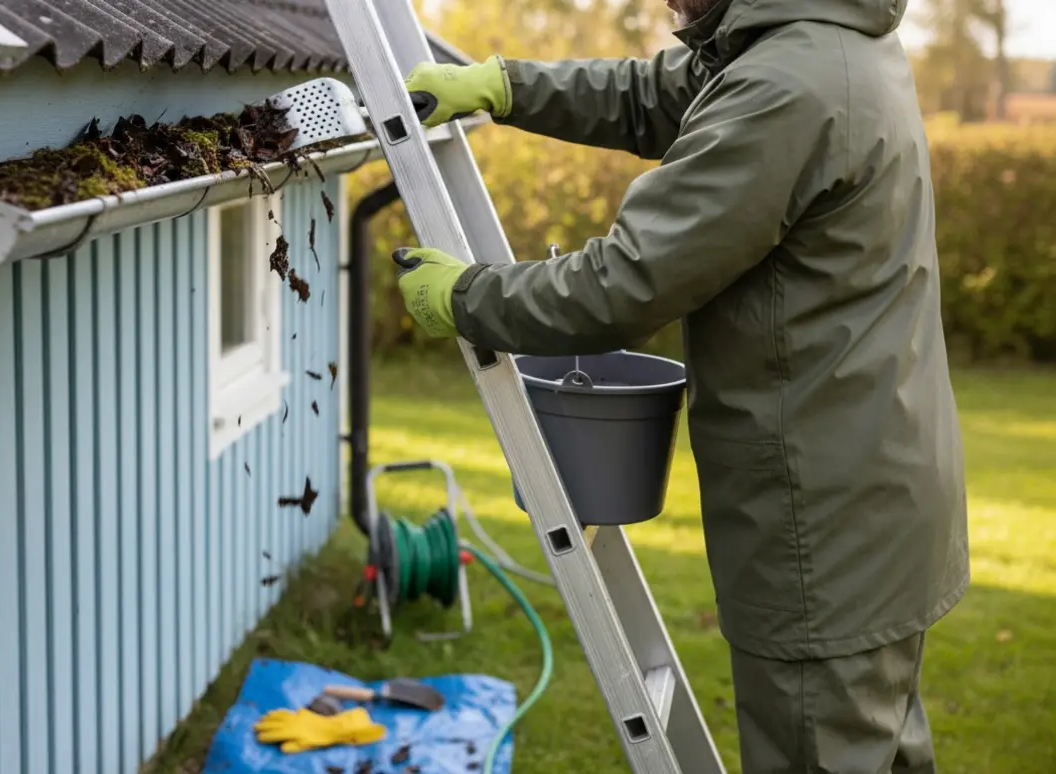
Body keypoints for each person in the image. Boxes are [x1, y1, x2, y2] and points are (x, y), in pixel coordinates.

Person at [393, 0, 970, 771]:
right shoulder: (816, 46)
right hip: (880, 494)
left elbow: (625, 284)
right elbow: (651, 95)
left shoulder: (787, 87)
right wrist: (505, 86)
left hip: (824, 524)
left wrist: (468, 298)